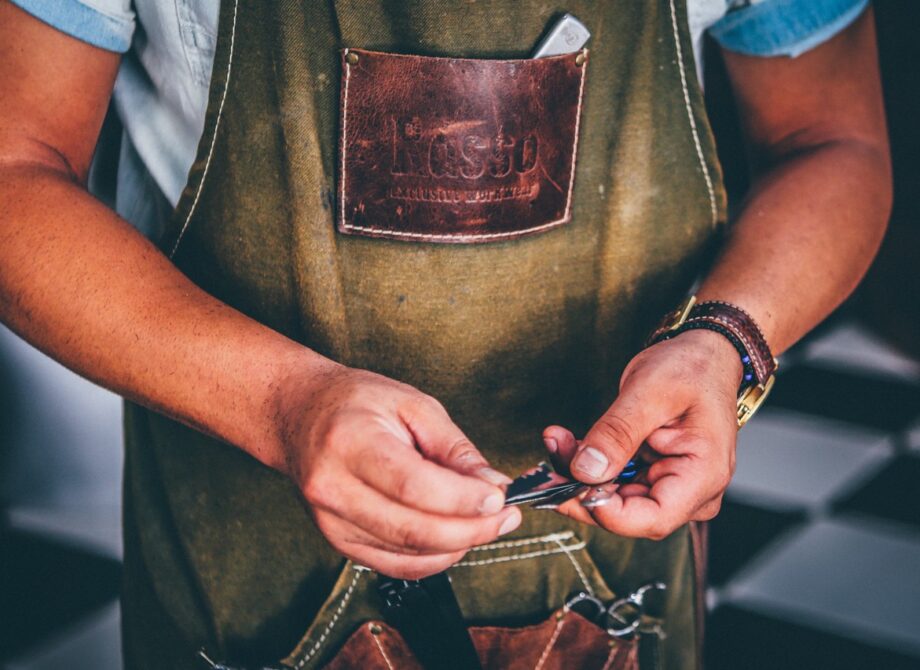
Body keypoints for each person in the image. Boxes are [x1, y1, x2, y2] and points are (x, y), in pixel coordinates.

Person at [0, 0, 890, 668]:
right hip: (242, 555)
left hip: (623, 566)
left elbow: (831, 139)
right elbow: (14, 170)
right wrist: (279, 402)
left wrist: (725, 338)